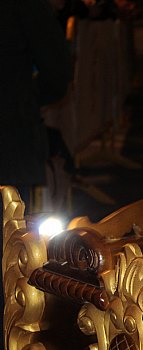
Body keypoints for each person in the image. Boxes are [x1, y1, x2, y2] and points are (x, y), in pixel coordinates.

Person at [0, 0, 73, 210]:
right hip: (11, 133)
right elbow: (57, 71)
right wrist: (29, 98)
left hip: (11, 134)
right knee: (9, 229)